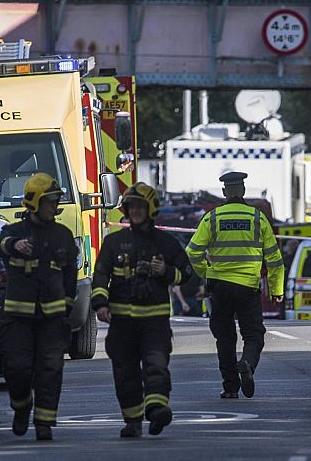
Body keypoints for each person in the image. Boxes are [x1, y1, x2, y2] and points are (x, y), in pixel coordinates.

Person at [91, 182, 192, 438]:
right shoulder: (114, 242)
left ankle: (157, 410)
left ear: (150, 209)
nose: (135, 211)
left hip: (155, 321)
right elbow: (101, 275)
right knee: (125, 373)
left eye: (140, 206)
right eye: (132, 206)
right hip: (122, 321)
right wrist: (100, 304)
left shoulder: (166, 243)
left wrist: (165, 272)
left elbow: (188, 274)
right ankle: (132, 421)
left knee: (156, 366)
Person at [0, 172, 78, 441]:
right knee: (17, 368)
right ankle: (21, 408)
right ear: (34, 202)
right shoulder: (14, 232)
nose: (54, 206)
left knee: (50, 369)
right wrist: (14, 245)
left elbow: (70, 277)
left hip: (52, 320)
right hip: (18, 319)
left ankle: (44, 423)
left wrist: (65, 308)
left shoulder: (63, 236)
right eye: (49, 201)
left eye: (55, 201)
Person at [185, 172, 284, 399]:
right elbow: (274, 258)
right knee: (254, 334)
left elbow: (192, 252)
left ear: (224, 192)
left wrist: (207, 273)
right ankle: (247, 363)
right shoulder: (258, 218)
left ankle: (230, 387)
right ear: (243, 191)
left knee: (225, 338)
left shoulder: (212, 218)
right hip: (248, 287)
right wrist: (276, 289)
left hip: (220, 287)